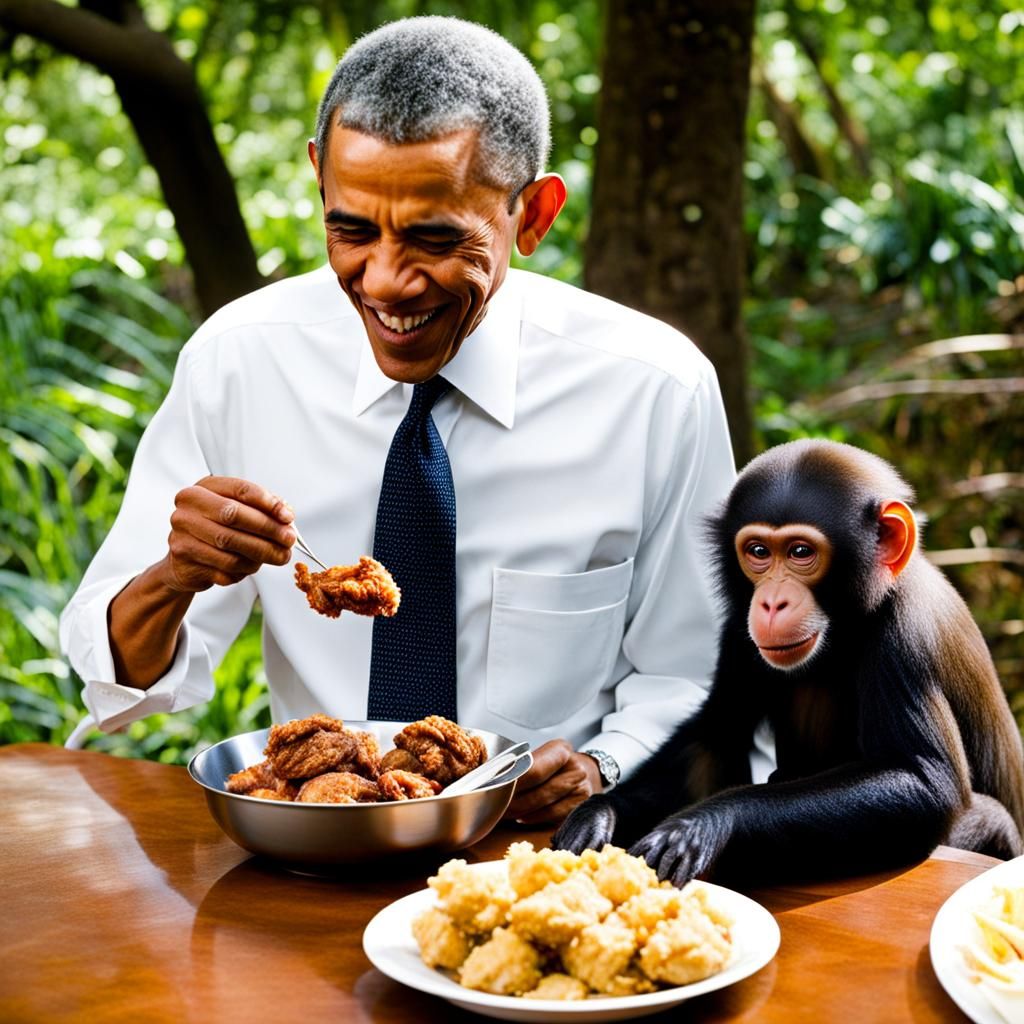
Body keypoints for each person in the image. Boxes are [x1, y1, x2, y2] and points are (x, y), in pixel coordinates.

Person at [60, 16, 751, 824]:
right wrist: (173, 578)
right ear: (319, 177)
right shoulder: (241, 362)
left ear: (532, 215)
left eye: (433, 238)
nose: (385, 282)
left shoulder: (654, 389)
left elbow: (700, 673)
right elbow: (120, 679)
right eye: (350, 229)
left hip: (551, 859)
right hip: (319, 853)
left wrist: (602, 765)